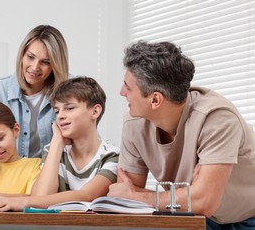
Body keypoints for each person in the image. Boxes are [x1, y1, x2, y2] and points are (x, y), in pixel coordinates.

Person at [107, 40, 255, 228]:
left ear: (155, 99)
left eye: (128, 87)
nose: (121, 93)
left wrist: (141, 196)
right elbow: (124, 195)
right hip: (192, 217)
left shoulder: (217, 118)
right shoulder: (134, 123)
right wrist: (189, 195)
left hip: (247, 219)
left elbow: (203, 202)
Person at [0, 76, 120, 211]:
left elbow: (87, 196)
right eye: (57, 110)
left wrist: (18, 201)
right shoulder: (54, 151)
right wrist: (56, 143)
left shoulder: (112, 156)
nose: (60, 116)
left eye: (69, 108)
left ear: (95, 111)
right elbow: (41, 197)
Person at [0, 24, 69, 169]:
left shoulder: (69, 91)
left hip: (50, 180)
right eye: (30, 57)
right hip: (9, 179)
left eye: (46, 62)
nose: (35, 67)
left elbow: (87, 140)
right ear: (22, 54)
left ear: (56, 64)